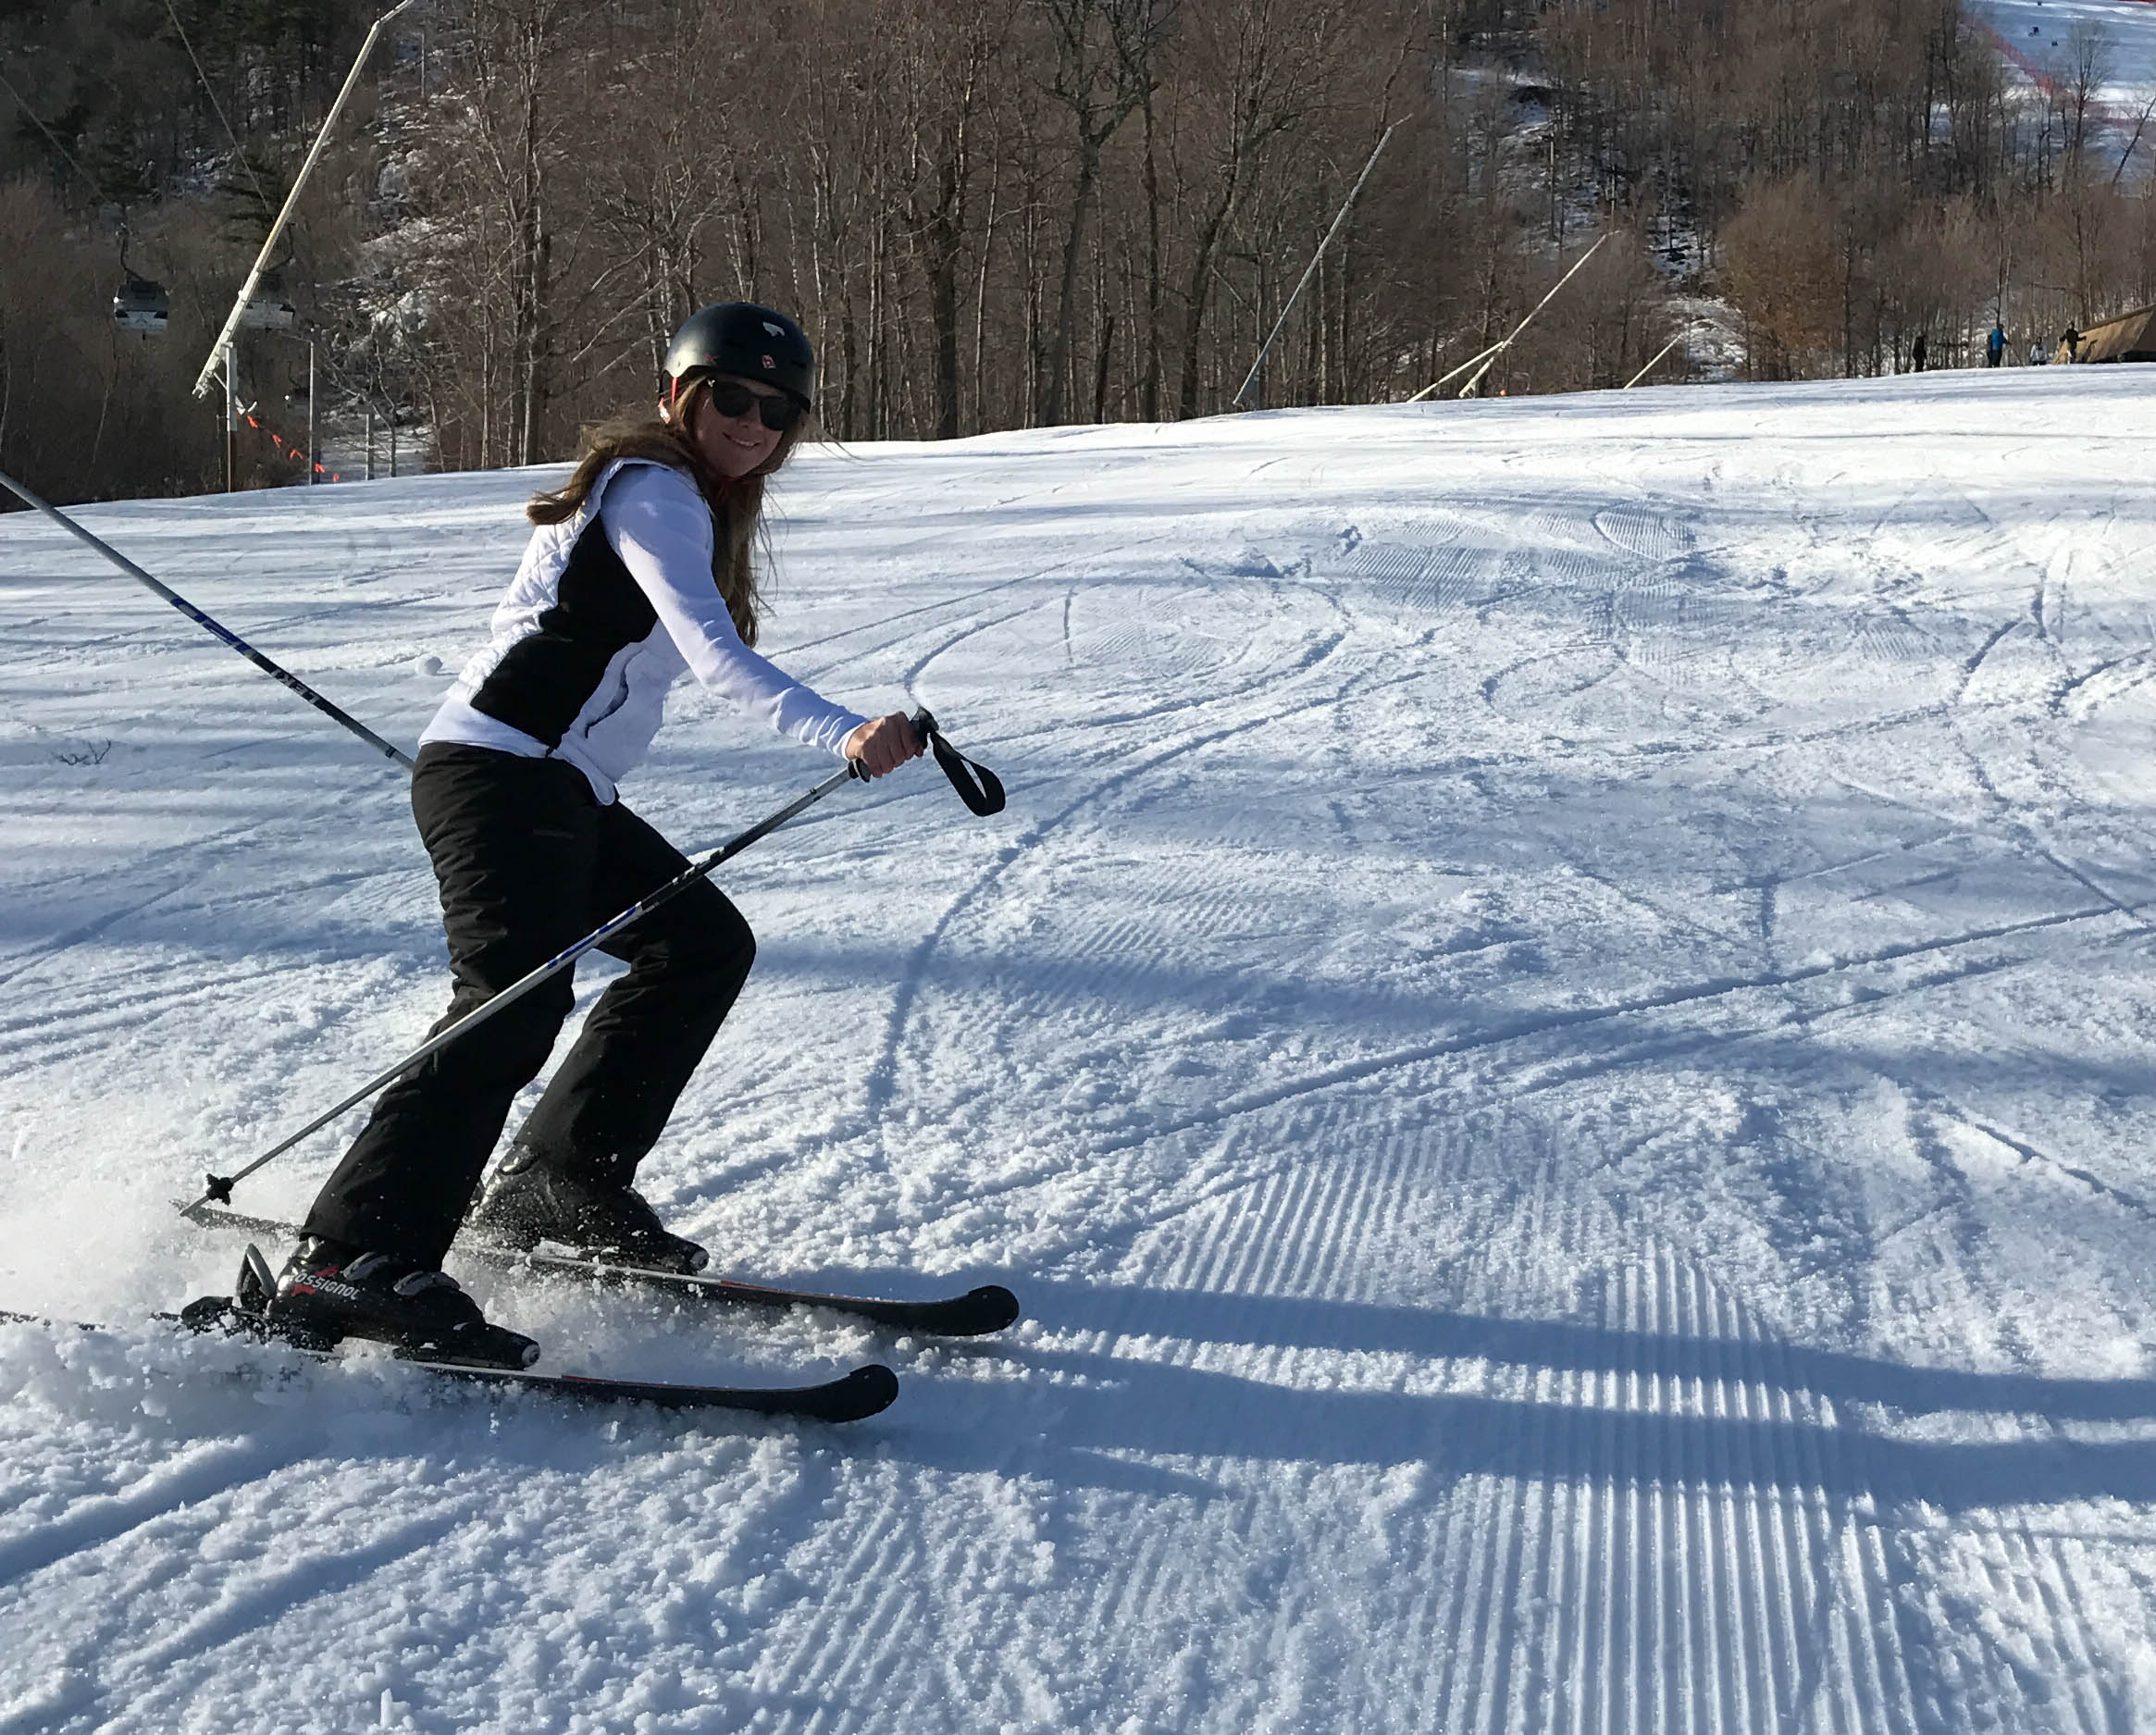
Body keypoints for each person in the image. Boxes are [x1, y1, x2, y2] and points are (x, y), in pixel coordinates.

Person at [266, 303, 924, 1366]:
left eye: (777, 409)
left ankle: (559, 1182)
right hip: (500, 777)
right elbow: (711, 656)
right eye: (732, 396)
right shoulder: (657, 488)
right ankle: (351, 1255)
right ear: (679, 394)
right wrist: (840, 729)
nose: (753, 422)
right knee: (510, 996)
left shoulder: (685, 500)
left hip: (555, 790)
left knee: (697, 944)